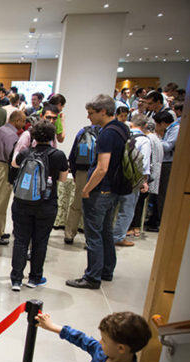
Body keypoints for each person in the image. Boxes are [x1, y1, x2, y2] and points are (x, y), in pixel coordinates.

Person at [67, 95, 128, 290]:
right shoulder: (122, 128)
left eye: (91, 113)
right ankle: (106, 270)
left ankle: (92, 277)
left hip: (101, 190)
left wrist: (86, 189)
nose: (88, 117)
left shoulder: (106, 134)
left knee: (93, 235)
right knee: (106, 231)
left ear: (103, 111)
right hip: (114, 190)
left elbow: (102, 168)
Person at [9, 121, 69, 290]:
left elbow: (14, 163)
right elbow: (63, 179)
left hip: (22, 202)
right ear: (51, 137)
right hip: (46, 204)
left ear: (33, 136)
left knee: (20, 240)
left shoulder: (26, 152)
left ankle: (16, 279)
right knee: (40, 241)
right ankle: (35, 278)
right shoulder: (58, 155)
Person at [0, 110, 25, 245]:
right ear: (17, 121)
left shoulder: (0, 130)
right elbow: (12, 155)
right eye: (23, 121)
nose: (23, 124)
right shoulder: (11, 135)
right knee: (0, 203)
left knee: (0, 201)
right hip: (4, 167)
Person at [113, 114, 151, 247]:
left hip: (115, 176)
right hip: (131, 179)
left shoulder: (122, 134)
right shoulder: (144, 141)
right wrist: (144, 181)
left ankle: (106, 235)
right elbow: (144, 163)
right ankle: (118, 237)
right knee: (127, 210)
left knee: (111, 208)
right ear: (145, 125)